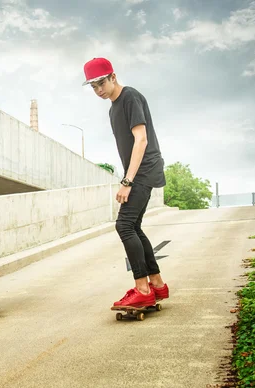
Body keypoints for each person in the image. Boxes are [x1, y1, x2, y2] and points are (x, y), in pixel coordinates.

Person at [82, 57, 170, 307]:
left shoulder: (130, 97)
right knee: (134, 226)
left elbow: (140, 140)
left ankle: (142, 289)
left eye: (101, 83)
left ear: (113, 76)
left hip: (144, 170)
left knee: (124, 225)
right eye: (93, 87)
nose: (98, 90)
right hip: (140, 171)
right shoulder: (113, 108)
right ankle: (157, 284)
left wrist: (127, 180)